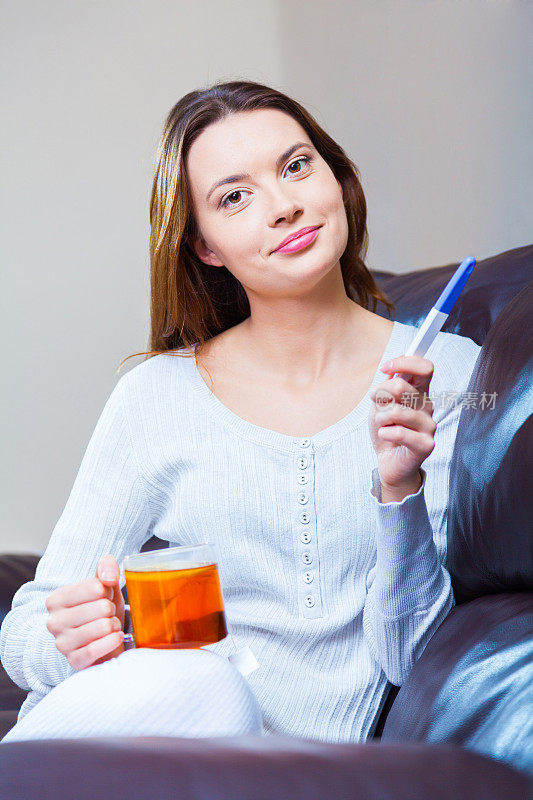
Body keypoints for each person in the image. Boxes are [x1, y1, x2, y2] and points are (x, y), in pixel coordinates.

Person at [0, 80, 481, 744]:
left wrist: (398, 489)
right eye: (234, 197)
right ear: (205, 246)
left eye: (295, 166)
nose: (282, 206)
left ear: (336, 180)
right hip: (147, 743)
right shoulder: (157, 396)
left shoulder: (445, 374)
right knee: (200, 681)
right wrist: (73, 642)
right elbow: (25, 629)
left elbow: (408, 655)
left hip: (311, 771)